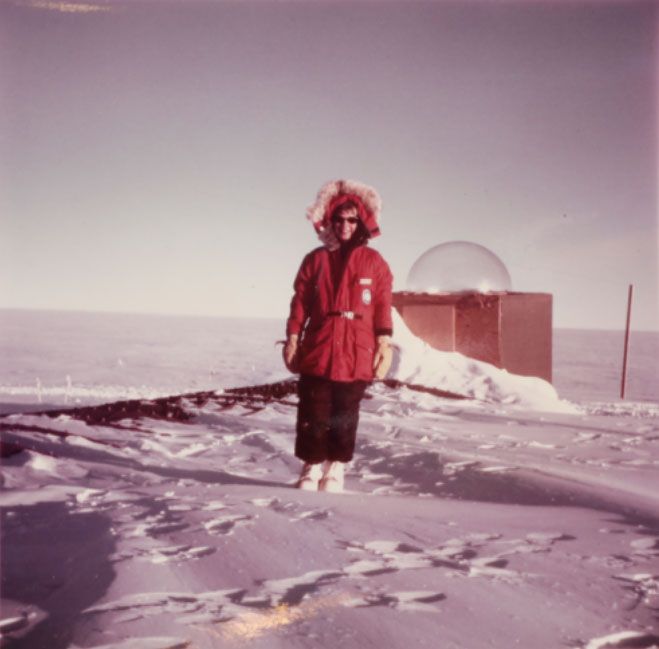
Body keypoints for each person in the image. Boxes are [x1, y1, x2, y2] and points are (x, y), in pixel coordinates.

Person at [283, 179, 393, 493]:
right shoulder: (315, 260)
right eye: (339, 219)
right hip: (320, 344)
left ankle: (336, 468)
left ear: (362, 222)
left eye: (352, 220)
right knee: (314, 409)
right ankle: (312, 465)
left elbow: (383, 304)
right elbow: (300, 301)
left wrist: (384, 341)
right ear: (330, 220)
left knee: (345, 411)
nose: (345, 226)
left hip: (357, 348)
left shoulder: (375, 263)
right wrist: (293, 337)